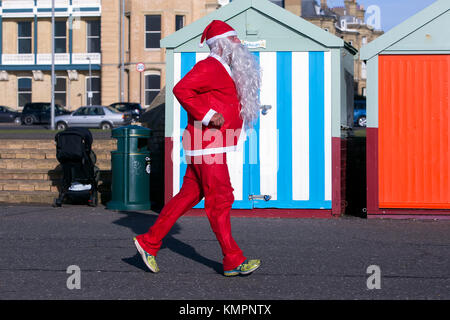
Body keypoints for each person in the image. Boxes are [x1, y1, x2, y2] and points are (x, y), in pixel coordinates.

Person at [133, 20, 261, 277]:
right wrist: (208, 115)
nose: (239, 44)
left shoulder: (223, 68)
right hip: (207, 144)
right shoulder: (211, 66)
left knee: (188, 196)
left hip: (209, 144)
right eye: (234, 39)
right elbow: (182, 89)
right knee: (221, 198)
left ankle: (149, 242)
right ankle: (233, 259)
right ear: (223, 44)